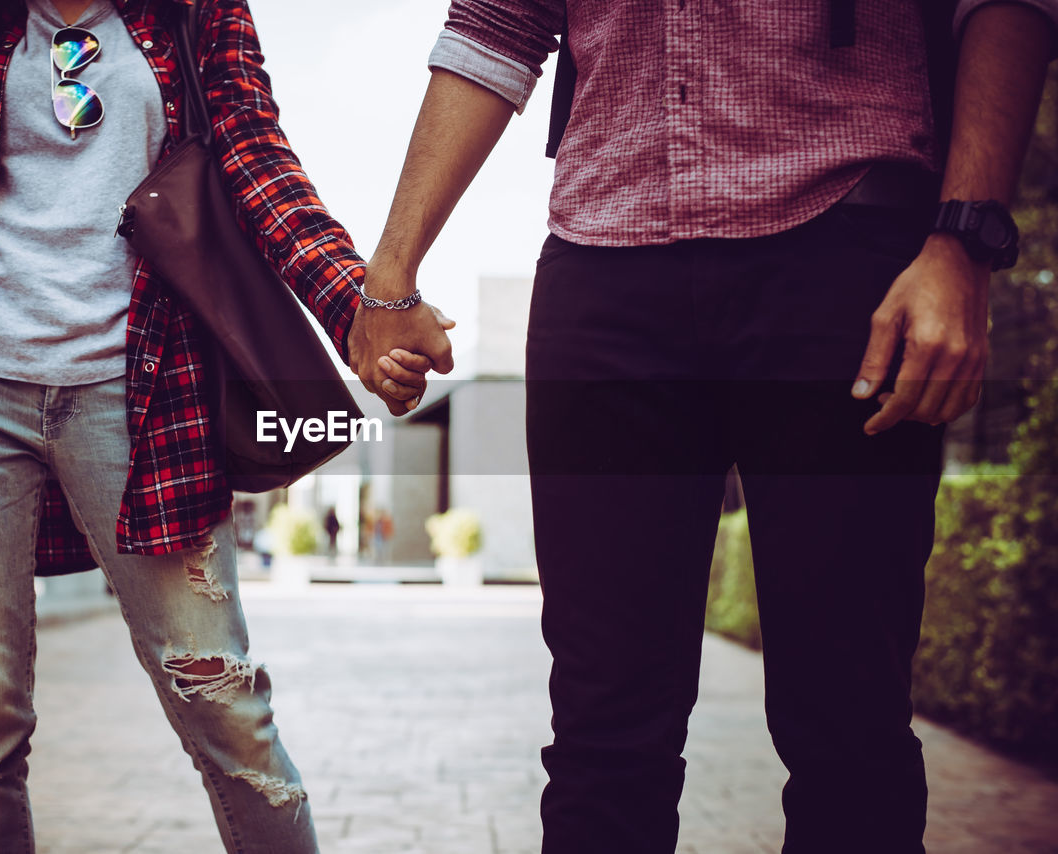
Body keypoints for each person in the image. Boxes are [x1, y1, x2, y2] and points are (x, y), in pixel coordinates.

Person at [358, 1, 1056, 851]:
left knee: (849, 726)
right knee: (601, 736)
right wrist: (388, 275)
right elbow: (498, 23)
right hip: (604, 263)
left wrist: (965, 241)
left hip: (847, 247)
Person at [0, 1, 441, 850]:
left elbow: (261, 168)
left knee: (223, 704)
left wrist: (360, 308)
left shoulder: (195, 11)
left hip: (144, 387)